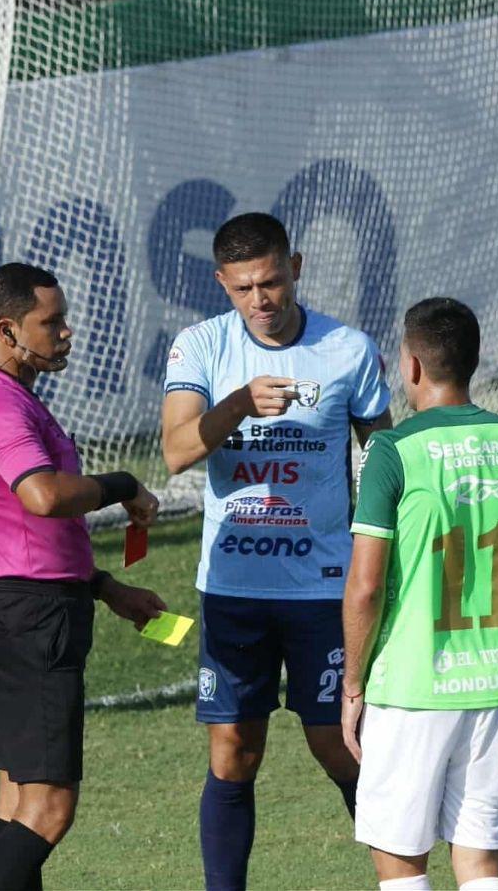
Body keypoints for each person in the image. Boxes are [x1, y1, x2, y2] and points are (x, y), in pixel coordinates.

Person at [161, 212, 392, 890]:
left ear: (296, 264)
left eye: (269, 281)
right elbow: (176, 451)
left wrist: (384, 546)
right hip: (233, 588)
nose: (259, 300)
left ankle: (402, 877)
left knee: (340, 746)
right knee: (234, 753)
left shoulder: (347, 349)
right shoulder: (201, 347)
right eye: (241, 289)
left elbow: (382, 456)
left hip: (323, 589)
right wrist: (237, 403)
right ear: (221, 284)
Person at [341, 297, 498, 891]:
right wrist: (496, 605)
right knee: (479, 865)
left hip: (409, 689)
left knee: (401, 863)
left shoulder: (391, 452)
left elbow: (366, 586)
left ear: (413, 367)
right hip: (493, 687)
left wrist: (351, 684)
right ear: (472, 363)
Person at [0, 262, 167, 891]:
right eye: (52, 323)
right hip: (29, 619)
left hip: (20, 606)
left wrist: (106, 588)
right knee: (49, 805)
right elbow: (42, 497)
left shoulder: (9, 397)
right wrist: (123, 485)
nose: (67, 333)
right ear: (8, 329)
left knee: (19, 795)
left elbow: (36, 537)